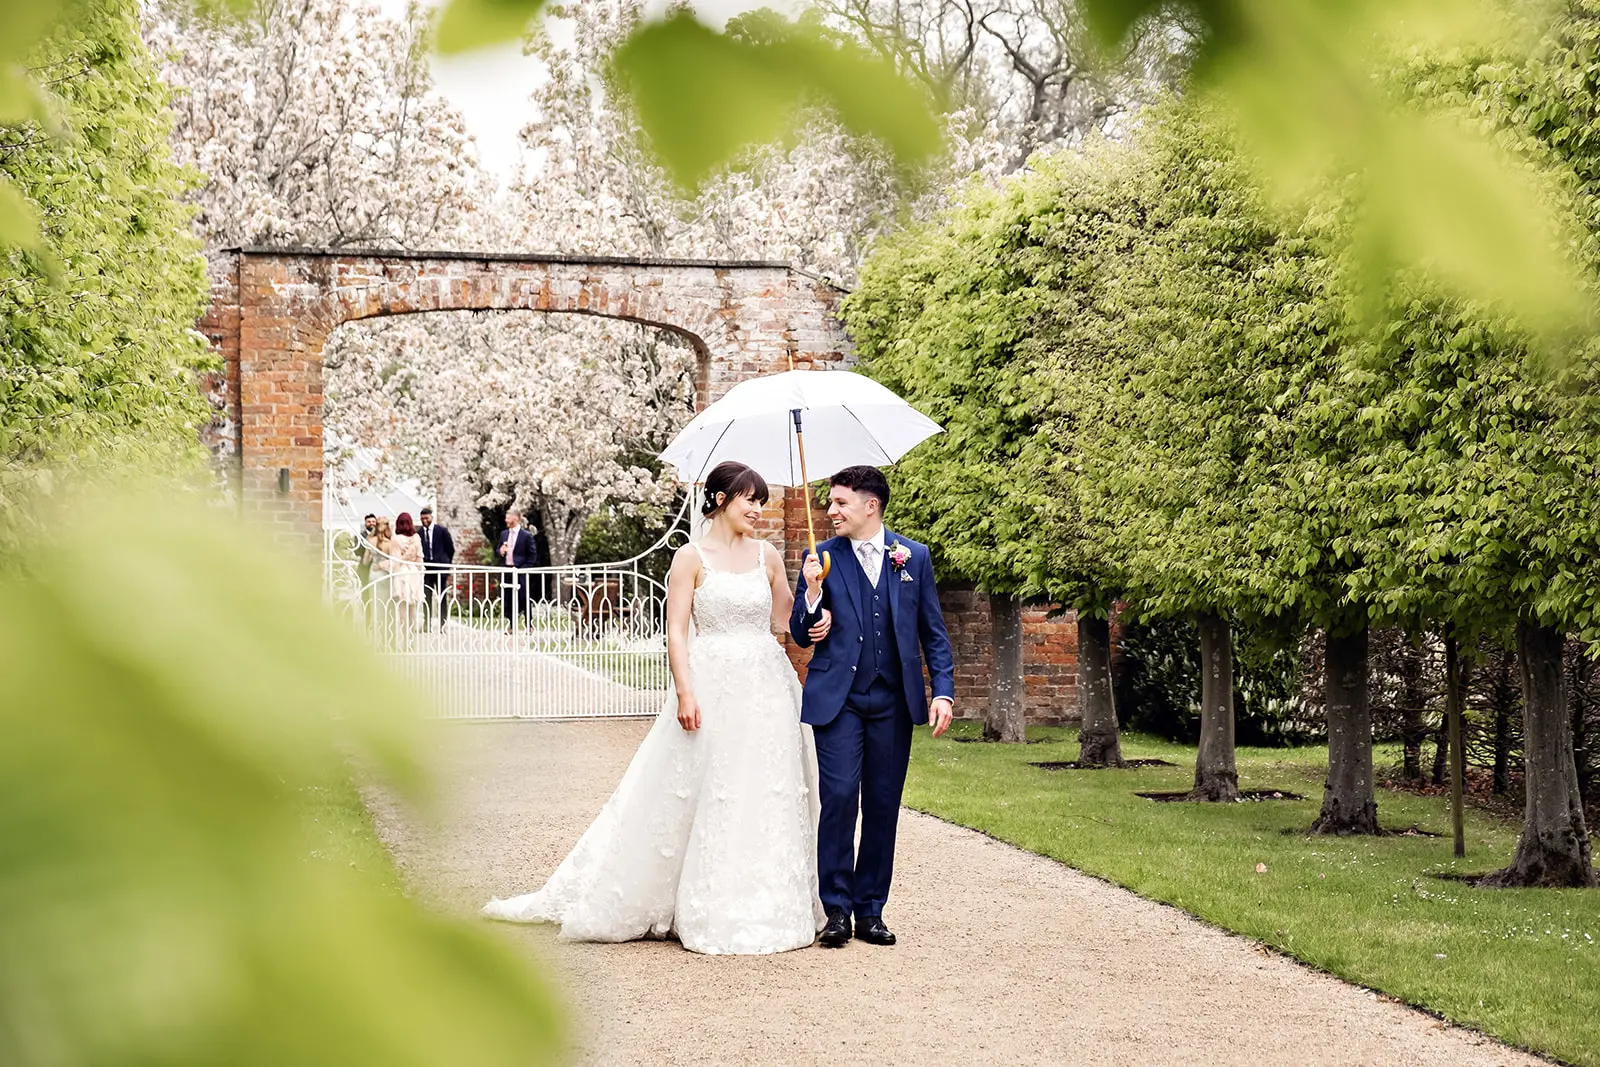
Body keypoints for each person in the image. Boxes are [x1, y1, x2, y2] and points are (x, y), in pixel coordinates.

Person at [483, 461, 835, 955]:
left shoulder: (768, 556)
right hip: (712, 682)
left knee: (766, 785)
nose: (759, 509)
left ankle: (767, 898)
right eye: (749, 499)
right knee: (707, 787)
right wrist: (686, 692)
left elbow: (783, 619)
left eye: (762, 500)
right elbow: (675, 632)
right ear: (718, 500)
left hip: (766, 684)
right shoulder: (691, 558)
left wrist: (813, 589)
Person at [790, 464, 955, 949]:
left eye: (840, 502)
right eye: (829, 502)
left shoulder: (913, 557)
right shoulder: (819, 556)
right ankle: (836, 909)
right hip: (838, 699)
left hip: (893, 701)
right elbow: (801, 631)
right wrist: (814, 597)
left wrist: (942, 690)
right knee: (839, 799)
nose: (830, 510)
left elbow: (933, 632)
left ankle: (871, 911)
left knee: (882, 804)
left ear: (870, 505)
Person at [496, 511, 537, 633]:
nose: (506, 520)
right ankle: (512, 626)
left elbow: (532, 555)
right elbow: (498, 550)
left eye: (508, 518)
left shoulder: (526, 535)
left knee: (523, 598)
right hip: (507, 569)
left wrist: (523, 569)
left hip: (520, 570)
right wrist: (500, 551)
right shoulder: (504, 534)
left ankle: (529, 625)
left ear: (516, 519)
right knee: (508, 598)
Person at [419, 506, 455, 631]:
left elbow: (450, 549)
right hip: (427, 569)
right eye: (422, 518)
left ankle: (443, 624)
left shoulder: (442, 531)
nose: (424, 520)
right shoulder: (419, 533)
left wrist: (446, 564)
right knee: (426, 596)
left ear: (431, 517)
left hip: (440, 568)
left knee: (442, 596)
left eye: (426, 518)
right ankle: (426, 623)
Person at [390, 512, 425, 634]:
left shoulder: (394, 540)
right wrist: (420, 575)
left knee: (403, 608)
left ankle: (406, 638)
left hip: (401, 573)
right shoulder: (416, 538)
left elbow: (394, 563)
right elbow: (420, 559)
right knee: (413, 607)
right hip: (414, 572)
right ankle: (411, 638)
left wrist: (404, 558)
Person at [354, 513, 378, 616]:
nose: (371, 523)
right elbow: (357, 552)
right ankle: (367, 616)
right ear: (365, 523)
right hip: (364, 568)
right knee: (366, 593)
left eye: (373, 521)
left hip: (377, 568)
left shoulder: (379, 536)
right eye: (369, 521)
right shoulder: (359, 536)